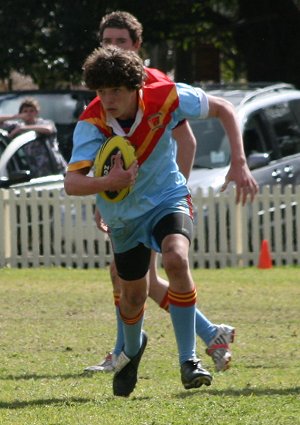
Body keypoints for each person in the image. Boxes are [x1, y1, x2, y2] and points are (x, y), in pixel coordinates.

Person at [64, 45, 258, 396]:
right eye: (101, 91)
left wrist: (239, 161)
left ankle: (190, 359)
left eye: (116, 91)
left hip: (168, 198)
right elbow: (72, 183)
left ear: (136, 87)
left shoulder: (166, 96)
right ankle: (133, 351)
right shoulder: (92, 121)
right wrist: (109, 182)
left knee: (176, 258)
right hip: (123, 217)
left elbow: (225, 108)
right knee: (133, 296)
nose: (108, 99)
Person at [84, 10, 236, 375]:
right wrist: (104, 197)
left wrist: (170, 200)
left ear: (137, 45)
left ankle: (127, 351)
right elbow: (109, 154)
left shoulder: (153, 85)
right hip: (129, 202)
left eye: (121, 41)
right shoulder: (107, 90)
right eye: (107, 41)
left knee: (137, 275)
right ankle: (208, 334)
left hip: (157, 201)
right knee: (131, 277)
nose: (113, 47)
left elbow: (187, 139)